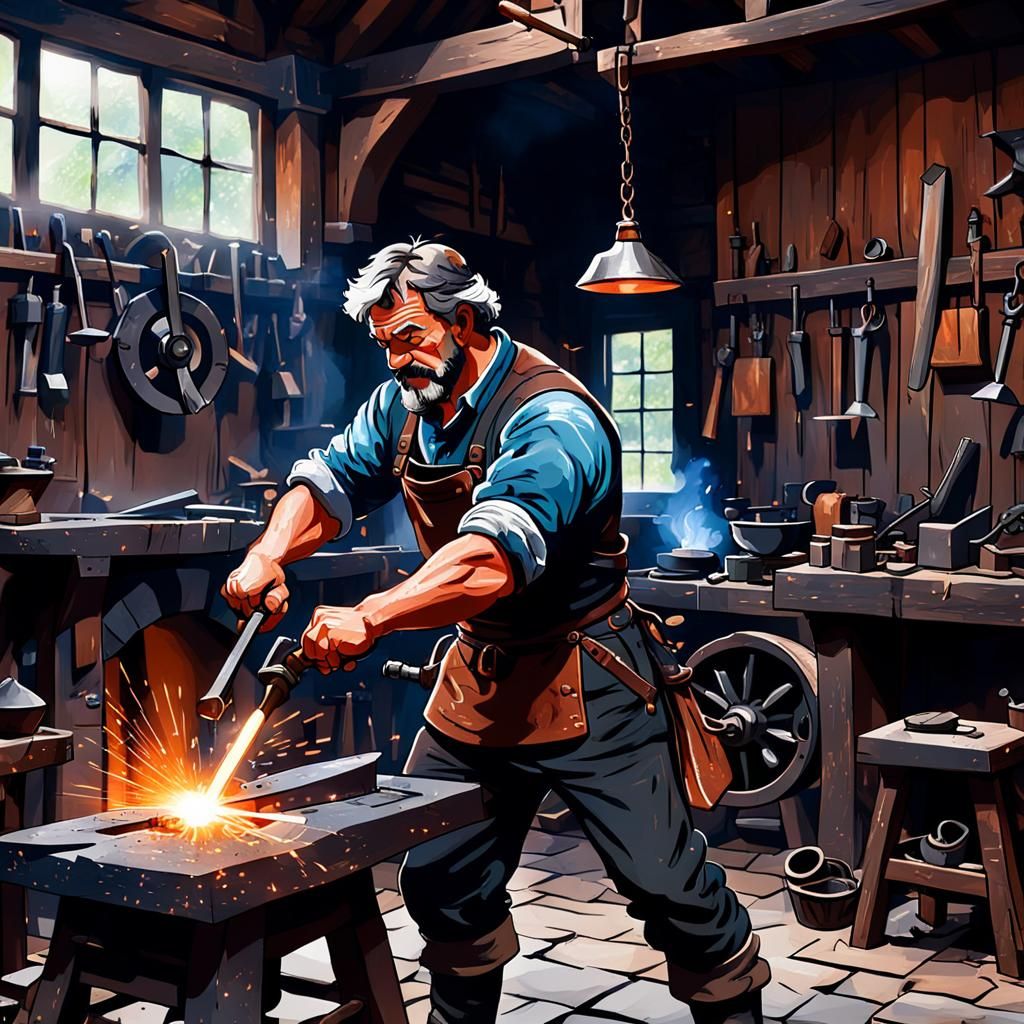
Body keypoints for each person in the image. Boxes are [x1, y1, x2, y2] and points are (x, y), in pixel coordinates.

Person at [223, 240, 769, 1024]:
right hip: (480, 676)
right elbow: (332, 481)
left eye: (411, 338)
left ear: (466, 320)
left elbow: (491, 560)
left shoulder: (553, 417)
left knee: (667, 885)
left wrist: (370, 616)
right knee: (439, 875)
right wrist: (269, 551)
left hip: (589, 676)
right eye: (384, 345)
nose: (398, 361)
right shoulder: (406, 404)